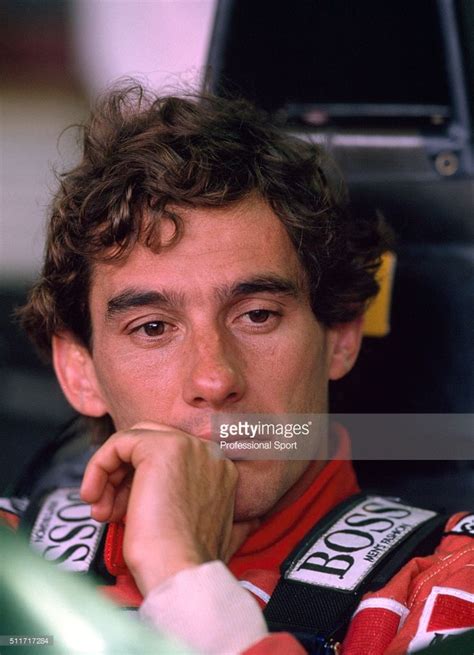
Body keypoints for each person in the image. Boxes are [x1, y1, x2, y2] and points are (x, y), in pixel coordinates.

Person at [10, 85, 474, 654]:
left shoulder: (448, 588)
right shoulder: (15, 570)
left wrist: (181, 576)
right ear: (79, 371)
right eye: (153, 328)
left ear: (340, 336)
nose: (214, 379)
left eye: (256, 315)